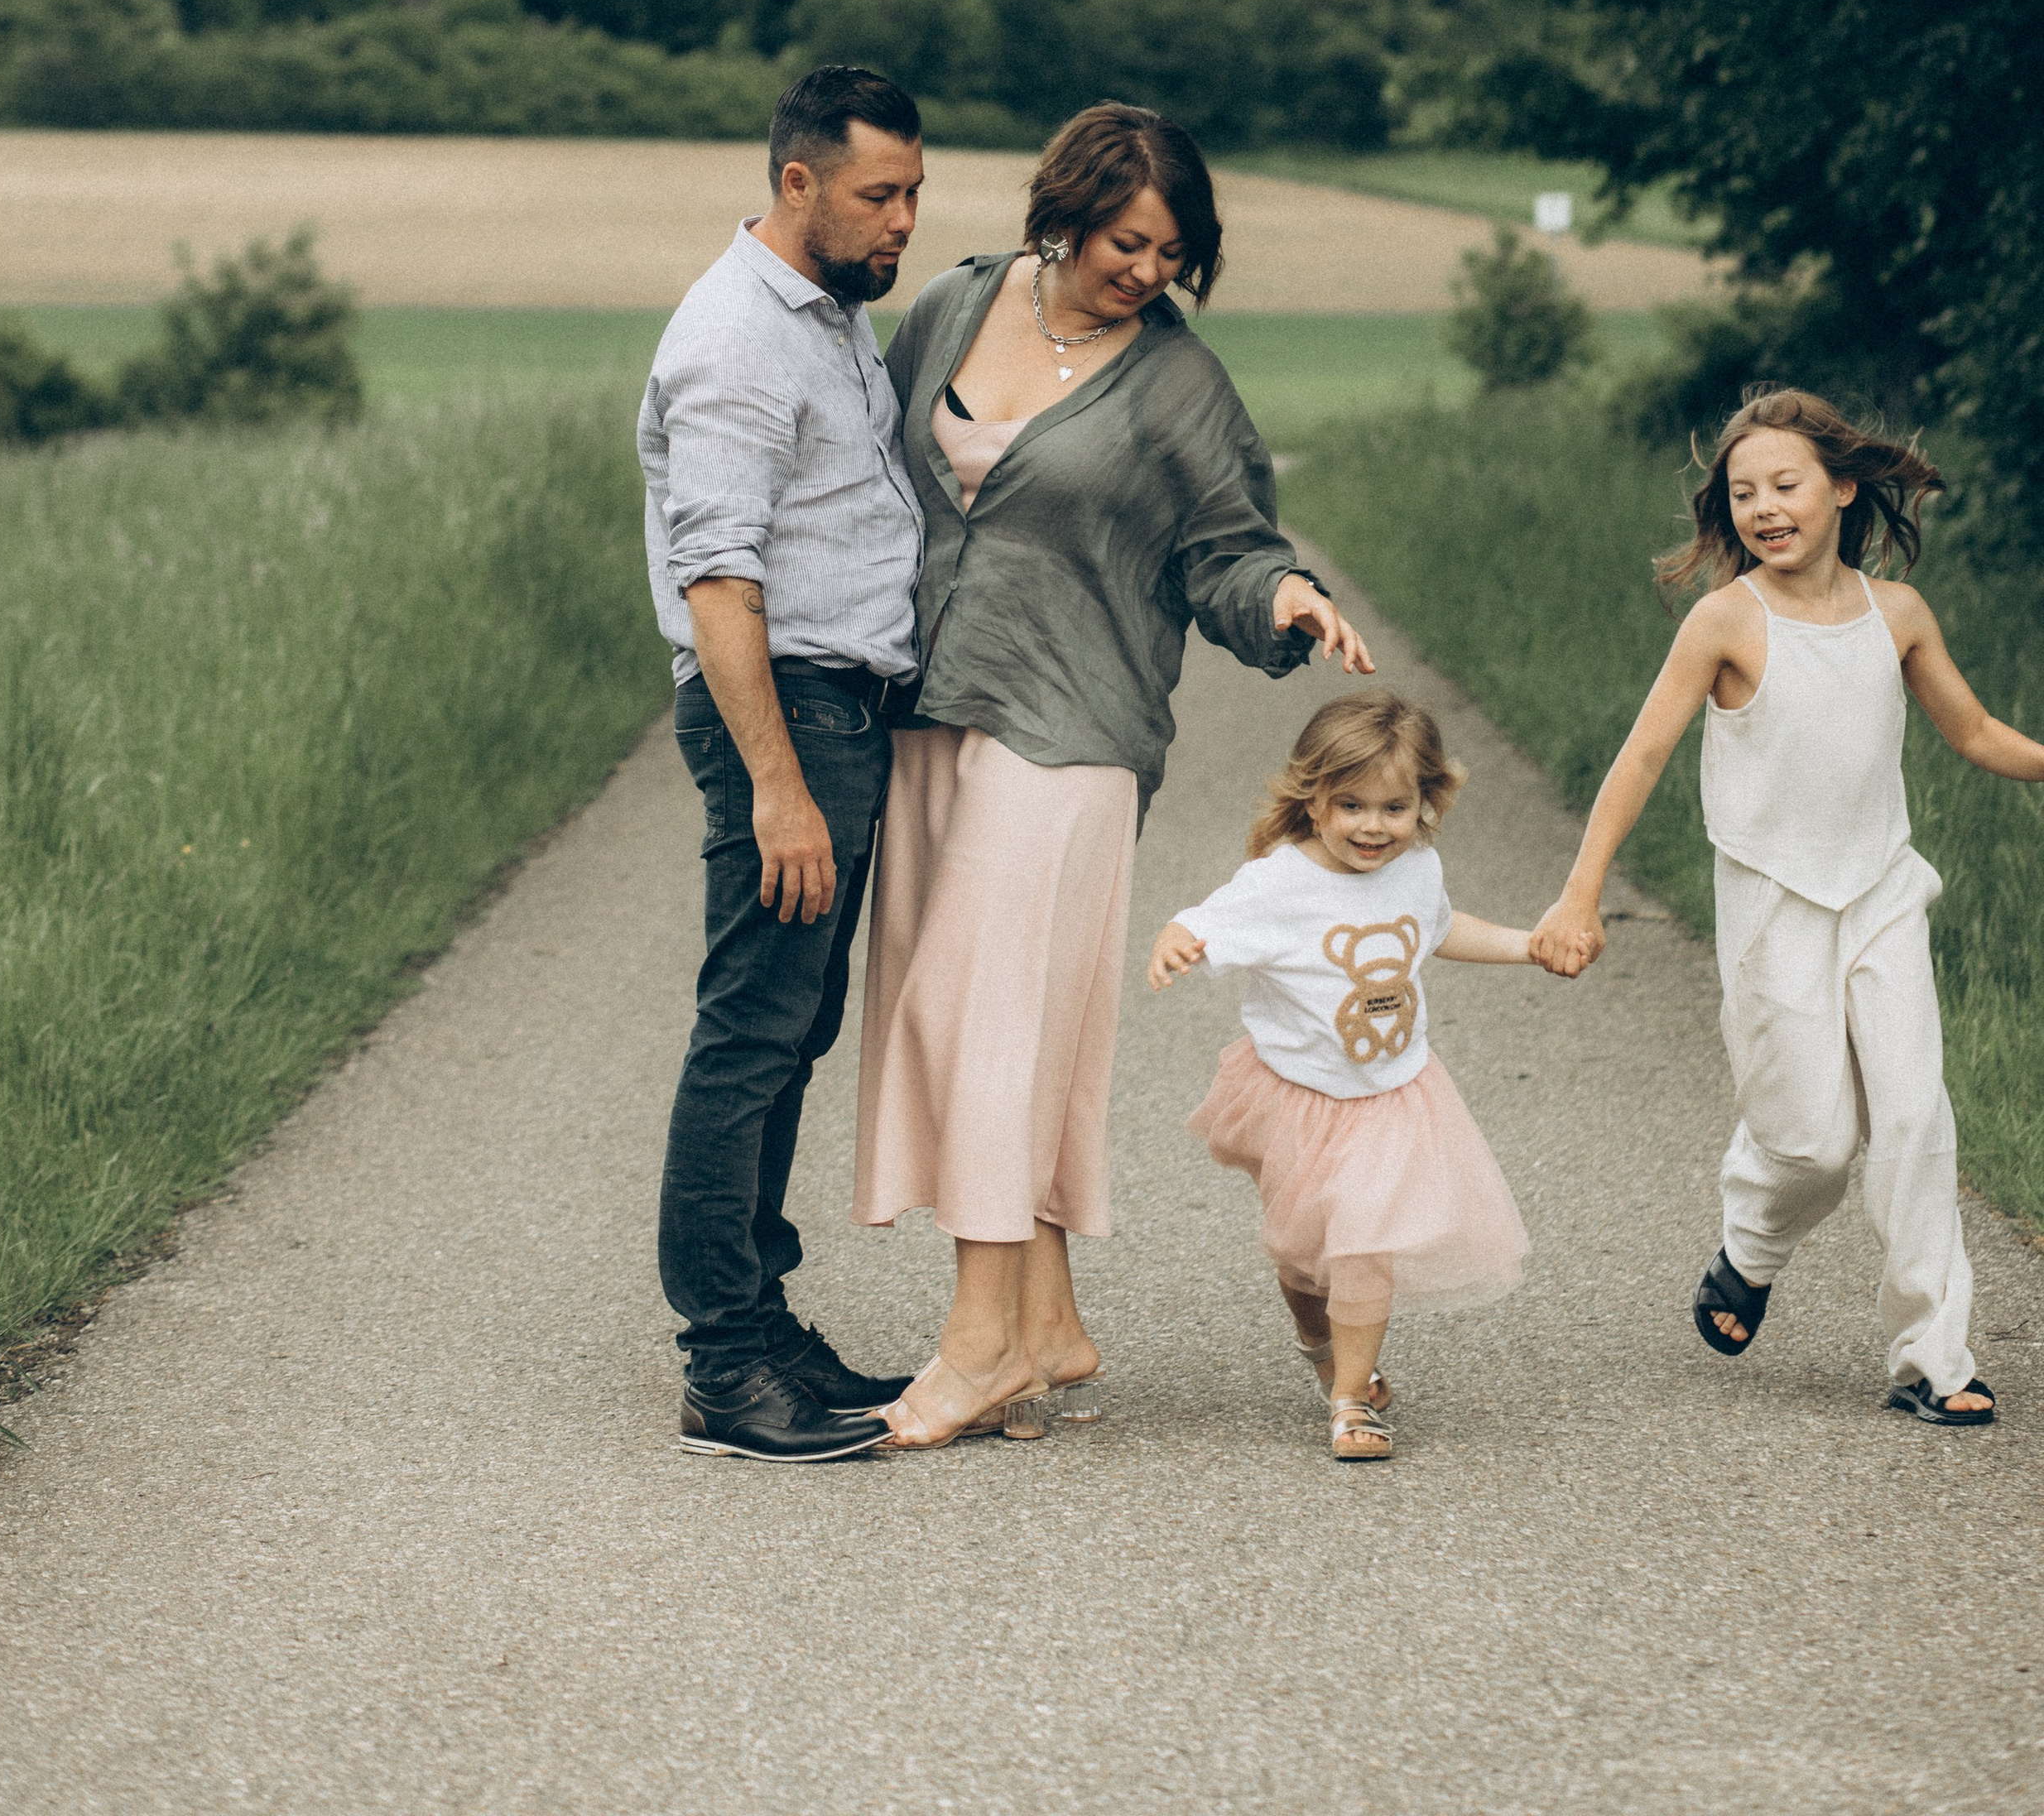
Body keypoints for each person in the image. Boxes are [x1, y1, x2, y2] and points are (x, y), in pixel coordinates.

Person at [854, 102, 1371, 1449]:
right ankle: (1043, 1326)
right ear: (1065, 211)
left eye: (1173, 251)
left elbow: (1229, 545)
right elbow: (872, 474)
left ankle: (974, 1350)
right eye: (1130, 241)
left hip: (1072, 727)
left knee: (991, 1016)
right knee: (955, 1015)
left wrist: (1291, 600)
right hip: (930, 709)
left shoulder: (1176, 383)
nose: (1148, 270)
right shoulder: (957, 305)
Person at [1532, 387, 2044, 1427]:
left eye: (1785, 484)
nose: (1764, 506)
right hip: (1772, 903)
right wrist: (1578, 895)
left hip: (1882, 892)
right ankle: (1751, 1248)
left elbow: (1978, 731)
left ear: (1842, 488)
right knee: (1811, 1140)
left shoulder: (1896, 614)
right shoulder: (1726, 620)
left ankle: (1931, 1359)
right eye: (1742, 492)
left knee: (1911, 1118)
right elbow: (1640, 758)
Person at [642, 64, 928, 1463]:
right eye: (881, 195)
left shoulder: (830, 322)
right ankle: (724, 1363)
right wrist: (776, 784)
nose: (904, 222)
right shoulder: (739, 339)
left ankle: (763, 1326)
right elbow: (718, 579)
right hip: (789, 714)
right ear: (797, 182)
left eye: (917, 195)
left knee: (789, 1033)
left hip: (836, 708)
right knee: (751, 1031)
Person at [1151, 692, 1545, 1460]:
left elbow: (1442, 930)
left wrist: (1528, 945)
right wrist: (1178, 939)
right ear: (1315, 798)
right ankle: (1318, 1343)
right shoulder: (1281, 880)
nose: (1374, 826)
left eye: (1395, 808)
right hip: (1294, 1099)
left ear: (1425, 803)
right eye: (1352, 805)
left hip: (1390, 1097)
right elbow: (1210, 917)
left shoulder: (1419, 871)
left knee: (1363, 1244)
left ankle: (1350, 1401)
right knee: (1305, 1259)